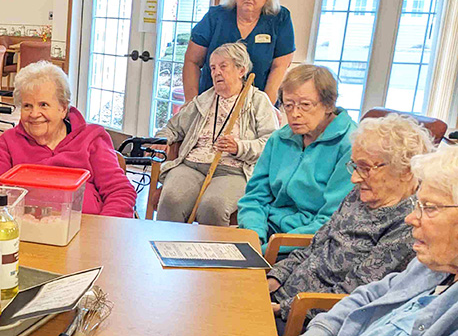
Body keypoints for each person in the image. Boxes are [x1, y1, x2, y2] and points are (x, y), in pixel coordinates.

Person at [268, 114, 432, 333]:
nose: (354, 178)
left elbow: (355, 294)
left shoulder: (408, 224)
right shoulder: (360, 195)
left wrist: (281, 308)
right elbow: (315, 246)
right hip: (283, 295)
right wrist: (273, 279)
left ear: (404, 171)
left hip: (307, 317)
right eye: (355, 166)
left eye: (365, 168)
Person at [302, 145, 458, 336]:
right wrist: (321, 330)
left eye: (429, 207)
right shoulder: (432, 265)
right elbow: (368, 295)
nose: (410, 219)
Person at [0, 61, 136, 218]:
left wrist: (101, 232)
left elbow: (120, 192)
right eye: (27, 106)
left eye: (43, 105)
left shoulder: (91, 138)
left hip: (84, 230)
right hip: (23, 232)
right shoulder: (7, 142)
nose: (34, 114)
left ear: (63, 108)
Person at [155, 42, 278, 225]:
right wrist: (162, 139)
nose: (216, 72)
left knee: (213, 206)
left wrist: (239, 147)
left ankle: (208, 253)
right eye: (212, 68)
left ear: (241, 70)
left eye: (223, 66)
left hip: (234, 171)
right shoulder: (204, 99)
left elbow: (272, 145)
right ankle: (167, 250)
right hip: (191, 165)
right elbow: (173, 127)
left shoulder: (258, 101)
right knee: (171, 199)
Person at [237, 64, 357, 253]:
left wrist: (270, 249)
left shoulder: (350, 145)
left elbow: (331, 220)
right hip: (267, 231)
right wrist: (253, 236)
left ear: (329, 104)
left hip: (310, 242)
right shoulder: (279, 138)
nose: (295, 114)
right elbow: (254, 197)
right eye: (289, 105)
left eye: (305, 105)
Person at [183, 0, 294, 104]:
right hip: (211, 101)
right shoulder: (216, 16)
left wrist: (266, 107)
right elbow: (192, 60)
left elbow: (280, 66)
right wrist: (191, 102)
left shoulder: (280, 18)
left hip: (256, 103)